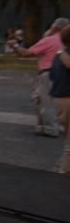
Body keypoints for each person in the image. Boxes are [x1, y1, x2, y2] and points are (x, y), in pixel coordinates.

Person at [14, 17, 69, 137]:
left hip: (48, 72)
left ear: (54, 27)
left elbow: (26, 53)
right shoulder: (66, 41)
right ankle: (49, 126)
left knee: (45, 101)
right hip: (64, 73)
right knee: (57, 101)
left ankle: (50, 128)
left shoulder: (49, 39)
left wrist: (15, 46)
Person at [48, 25, 70, 173]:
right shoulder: (64, 56)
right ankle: (63, 171)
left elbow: (52, 76)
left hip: (60, 99)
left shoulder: (59, 55)